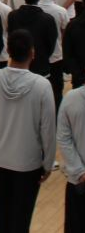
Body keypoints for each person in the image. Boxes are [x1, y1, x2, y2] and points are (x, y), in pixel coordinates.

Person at [0, 30, 56, 233]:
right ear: (32, 52)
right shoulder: (42, 86)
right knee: (21, 223)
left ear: (8, 50)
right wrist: (48, 163)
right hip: (29, 164)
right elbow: (48, 130)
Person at [8, 0, 58, 78]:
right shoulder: (48, 19)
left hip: (17, 65)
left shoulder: (12, 16)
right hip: (40, 65)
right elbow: (51, 45)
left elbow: (11, 38)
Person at [56, 81, 85, 231]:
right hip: (78, 182)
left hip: (78, 181)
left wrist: (79, 172)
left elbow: (63, 138)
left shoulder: (70, 98)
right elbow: (63, 137)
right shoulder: (71, 99)